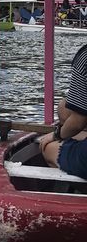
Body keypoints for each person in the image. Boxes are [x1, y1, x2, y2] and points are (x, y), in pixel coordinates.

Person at [39, 43, 87, 175]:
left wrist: (55, 135)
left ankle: (79, 192)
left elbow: (78, 121)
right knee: (63, 107)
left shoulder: (84, 57)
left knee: (48, 148)